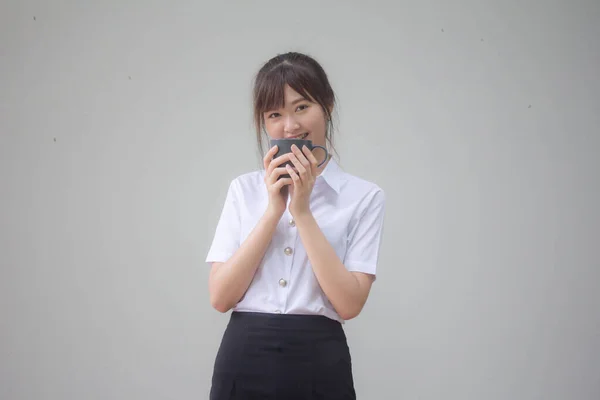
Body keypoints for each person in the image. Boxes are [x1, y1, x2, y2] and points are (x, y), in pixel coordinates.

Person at [205, 52, 386, 399]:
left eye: (302, 107)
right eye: (275, 114)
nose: (290, 126)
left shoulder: (363, 197)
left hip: (319, 357)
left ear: (327, 106)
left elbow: (349, 304)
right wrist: (275, 208)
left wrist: (301, 212)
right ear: (263, 122)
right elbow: (220, 296)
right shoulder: (244, 190)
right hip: (244, 354)